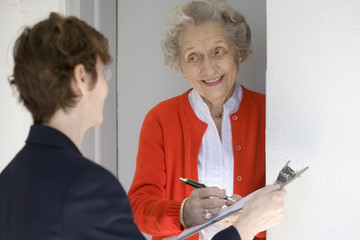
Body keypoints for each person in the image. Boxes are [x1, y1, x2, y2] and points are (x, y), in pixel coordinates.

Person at [127, 0, 285, 239]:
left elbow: (291, 207)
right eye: (193, 57)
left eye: (218, 51)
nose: (209, 68)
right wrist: (183, 213)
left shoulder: (270, 113)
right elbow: (138, 209)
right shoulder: (160, 120)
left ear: (238, 51)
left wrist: (251, 220)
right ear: (181, 67)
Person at [0, 12, 145, 240]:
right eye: (102, 72)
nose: (105, 89)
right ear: (81, 78)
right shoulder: (90, 187)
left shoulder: (6, 182)